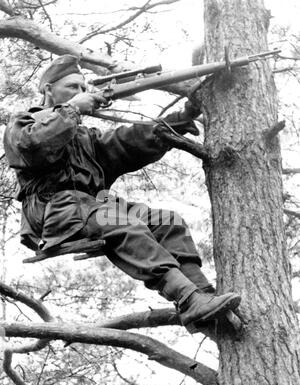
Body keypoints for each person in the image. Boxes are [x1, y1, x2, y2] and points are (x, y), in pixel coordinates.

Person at [4, 55, 240, 333]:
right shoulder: (24, 123)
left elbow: (126, 142)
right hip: (54, 209)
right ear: (48, 90)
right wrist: (71, 111)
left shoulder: (84, 136)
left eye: (83, 88)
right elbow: (31, 146)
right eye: (72, 88)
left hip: (90, 207)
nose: (80, 93)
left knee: (166, 221)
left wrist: (179, 119)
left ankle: (203, 298)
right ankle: (188, 299)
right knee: (120, 222)